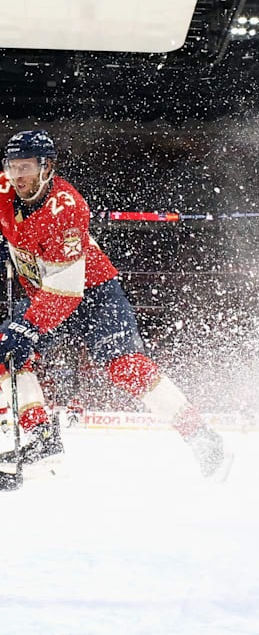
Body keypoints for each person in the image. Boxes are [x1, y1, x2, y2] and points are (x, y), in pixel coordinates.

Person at [0, 131, 230, 490]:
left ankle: (201, 437)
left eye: (26, 167)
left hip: (90, 295)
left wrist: (27, 327)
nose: (18, 176)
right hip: (43, 291)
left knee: (126, 366)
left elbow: (65, 291)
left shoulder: (68, 207)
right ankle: (42, 441)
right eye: (12, 167)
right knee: (6, 356)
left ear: (47, 168)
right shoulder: (4, 188)